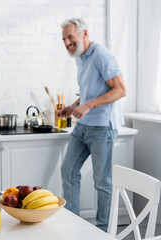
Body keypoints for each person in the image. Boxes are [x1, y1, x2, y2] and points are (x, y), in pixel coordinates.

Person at [59, 18, 126, 232]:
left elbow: (120, 90)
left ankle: (103, 232)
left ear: (84, 33)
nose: (67, 42)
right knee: (68, 170)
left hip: (102, 128)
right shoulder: (80, 56)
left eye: (70, 36)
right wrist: (73, 106)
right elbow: (90, 91)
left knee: (102, 182)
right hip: (83, 126)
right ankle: (72, 224)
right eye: (64, 39)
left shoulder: (102, 55)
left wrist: (88, 106)